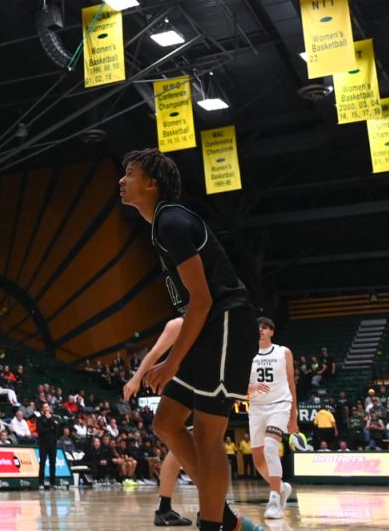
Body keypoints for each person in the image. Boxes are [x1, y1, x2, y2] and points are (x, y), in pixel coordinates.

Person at [120, 148, 262, 531]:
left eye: (129, 173)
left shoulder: (172, 222)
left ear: (152, 183)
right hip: (206, 328)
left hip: (227, 324)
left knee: (206, 434)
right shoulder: (161, 226)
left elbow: (202, 300)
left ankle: (214, 523)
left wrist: (173, 361)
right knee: (165, 422)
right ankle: (225, 514)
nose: (121, 180)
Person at [124, 317, 191, 526]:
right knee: (192, 448)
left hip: (191, 388)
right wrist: (136, 378)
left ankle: (164, 508)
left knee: (179, 451)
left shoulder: (205, 322)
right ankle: (213, 508)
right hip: (188, 390)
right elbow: (154, 352)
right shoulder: (181, 323)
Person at [247, 317, 298, 519]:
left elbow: (292, 385)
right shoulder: (246, 354)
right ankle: (282, 487)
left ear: (272, 332)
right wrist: (250, 388)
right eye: (258, 327)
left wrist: (293, 417)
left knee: (270, 447)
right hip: (257, 408)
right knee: (259, 461)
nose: (260, 330)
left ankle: (275, 501)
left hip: (280, 405)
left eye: (265, 327)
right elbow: (237, 386)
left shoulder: (283, 352)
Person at [35, 402, 60, 489]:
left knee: (52, 463)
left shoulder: (55, 417)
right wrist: (51, 428)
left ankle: (53, 483)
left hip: (53, 444)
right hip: (43, 444)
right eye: (44, 407)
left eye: (47, 407)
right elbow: (40, 430)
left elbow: (57, 427)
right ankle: (41, 482)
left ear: (49, 408)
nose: (46, 409)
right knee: (42, 463)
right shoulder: (39, 419)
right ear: (42, 409)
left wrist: (50, 420)